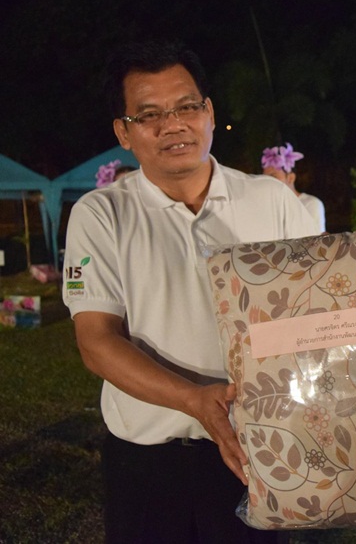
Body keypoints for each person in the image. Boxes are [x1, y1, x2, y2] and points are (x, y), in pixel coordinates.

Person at [62, 40, 316, 543]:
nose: (173, 125)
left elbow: (320, 307)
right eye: (149, 114)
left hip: (258, 445)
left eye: (186, 107)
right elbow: (96, 341)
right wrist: (196, 401)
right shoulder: (102, 214)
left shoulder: (271, 200)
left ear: (209, 113)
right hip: (148, 463)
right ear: (123, 132)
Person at [262, 143, 326, 233]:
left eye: (273, 177)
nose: (268, 182)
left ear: (291, 178)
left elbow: (317, 239)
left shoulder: (311, 204)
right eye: (264, 178)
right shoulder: (268, 206)